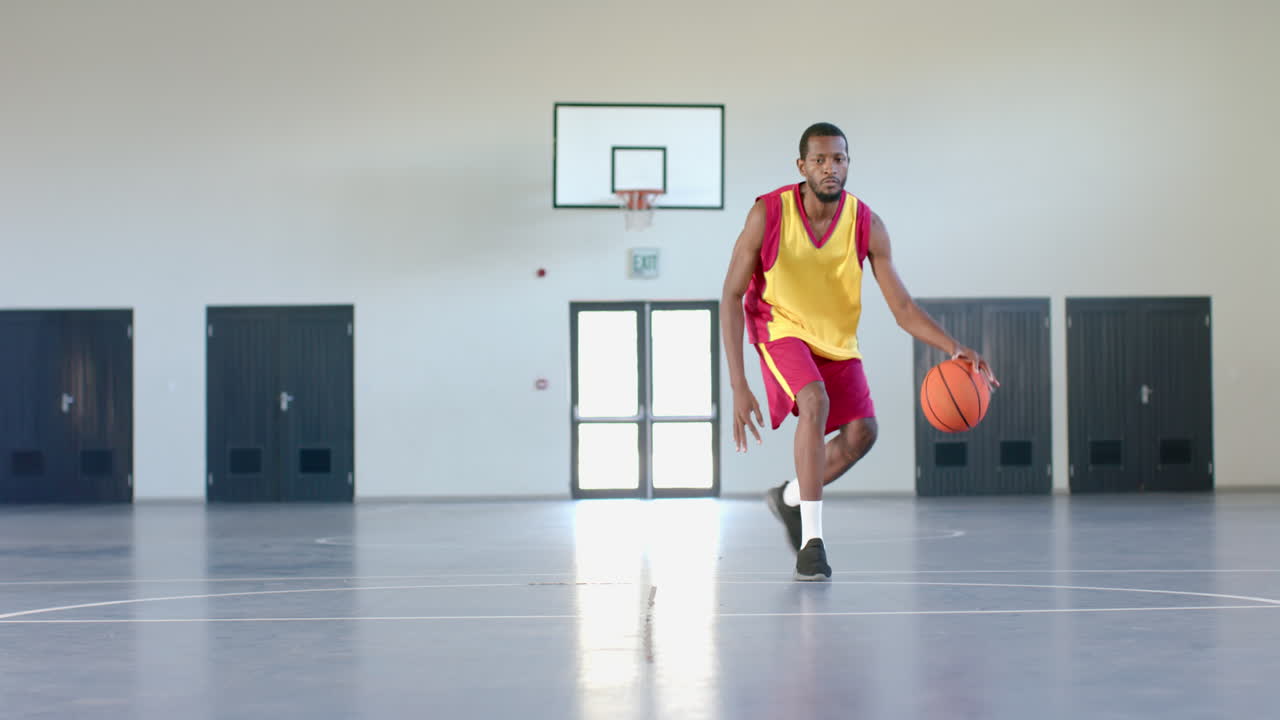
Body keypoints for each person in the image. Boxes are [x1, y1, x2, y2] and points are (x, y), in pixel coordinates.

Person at [720, 122, 998, 581]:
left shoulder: (867, 224)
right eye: (821, 160)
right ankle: (812, 542)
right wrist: (739, 384)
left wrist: (954, 348)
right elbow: (730, 295)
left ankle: (788, 498)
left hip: (837, 340)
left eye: (840, 159)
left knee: (862, 435)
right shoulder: (768, 214)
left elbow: (903, 308)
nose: (831, 168)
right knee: (813, 401)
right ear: (802, 166)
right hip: (779, 327)